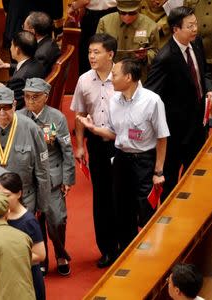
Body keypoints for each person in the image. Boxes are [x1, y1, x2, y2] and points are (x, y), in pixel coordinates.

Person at [78, 58, 170, 252]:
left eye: (115, 74)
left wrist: (158, 171)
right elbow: (113, 133)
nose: (111, 78)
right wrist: (94, 129)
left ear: (128, 77)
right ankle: (127, 253)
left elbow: (162, 137)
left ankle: (152, 254)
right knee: (121, 210)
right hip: (120, 160)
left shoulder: (152, 101)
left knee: (146, 211)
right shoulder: (114, 101)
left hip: (144, 161)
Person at [145, 6, 212, 200]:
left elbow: (205, 73)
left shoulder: (197, 43)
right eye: (189, 26)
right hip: (175, 130)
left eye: (195, 24)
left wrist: (210, 89)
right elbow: (150, 93)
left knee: (195, 174)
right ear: (175, 29)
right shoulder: (165, 57)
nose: (195, 29)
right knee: (170, 180)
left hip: (198, 124)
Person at [70, 33, 118, 268]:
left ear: (110, 54)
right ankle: (107, 248)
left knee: (120, 194)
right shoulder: (84, 80)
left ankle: (125, 242)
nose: (91, 56)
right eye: (89, 52)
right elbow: (79, 114)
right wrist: (80, 145)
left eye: (96, 52)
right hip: (97, 145)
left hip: (121, 144)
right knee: (101, 198)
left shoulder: (124, 77)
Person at [19, 78, 75, 276]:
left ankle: (61, 253)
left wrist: (68, 179)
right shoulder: (19, 117)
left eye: (35, 97)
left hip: (51, 175)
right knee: (32, 220)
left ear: (45, 97)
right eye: (27, 96)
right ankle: (41, 258)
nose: (30, 101)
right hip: (28, 177)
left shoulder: (55, 118)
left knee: (57, 219)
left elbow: (67, 149)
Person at [0, 86, 51, 217]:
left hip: (24, 200)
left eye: (6, 107)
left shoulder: (31, 128)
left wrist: (42, 206)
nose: (2, 113)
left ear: (14, 105)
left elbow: (42, 170)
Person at [0, 172, 46, 300]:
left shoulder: (28, 221)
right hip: (6, 277)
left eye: (7, 195)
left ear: (19, 194)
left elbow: (40, 255)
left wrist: (10, 258)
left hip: (27, 277)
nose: (2, 199)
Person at [96, 0, 160, 81]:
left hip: (137, 76)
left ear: (138, 9)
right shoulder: (104, 22)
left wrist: (145, 56)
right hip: (109, 75)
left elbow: (156, 51)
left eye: (132, 13)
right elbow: (96, 49)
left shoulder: (150, 26)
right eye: (122, 13)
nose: (127, 16)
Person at [0, 31, 46, 109]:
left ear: (17, 49)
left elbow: (12, 107)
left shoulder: (19, 78)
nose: (10, 48)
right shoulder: (37, 63)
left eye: (11, 45)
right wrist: (8, 66)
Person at [67, 0, 117, 75]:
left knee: (88, 50)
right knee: (110, 46)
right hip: (114, 12)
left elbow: (85, 1)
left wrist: (73, 7)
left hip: (94, 16)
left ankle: (90, 82)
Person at [23, 11, 61, 76]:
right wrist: (9, 65)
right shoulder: (49, 41)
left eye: (24, 27)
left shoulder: (40, 55)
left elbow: (29, 73)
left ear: (32, 31)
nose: (23, 30)